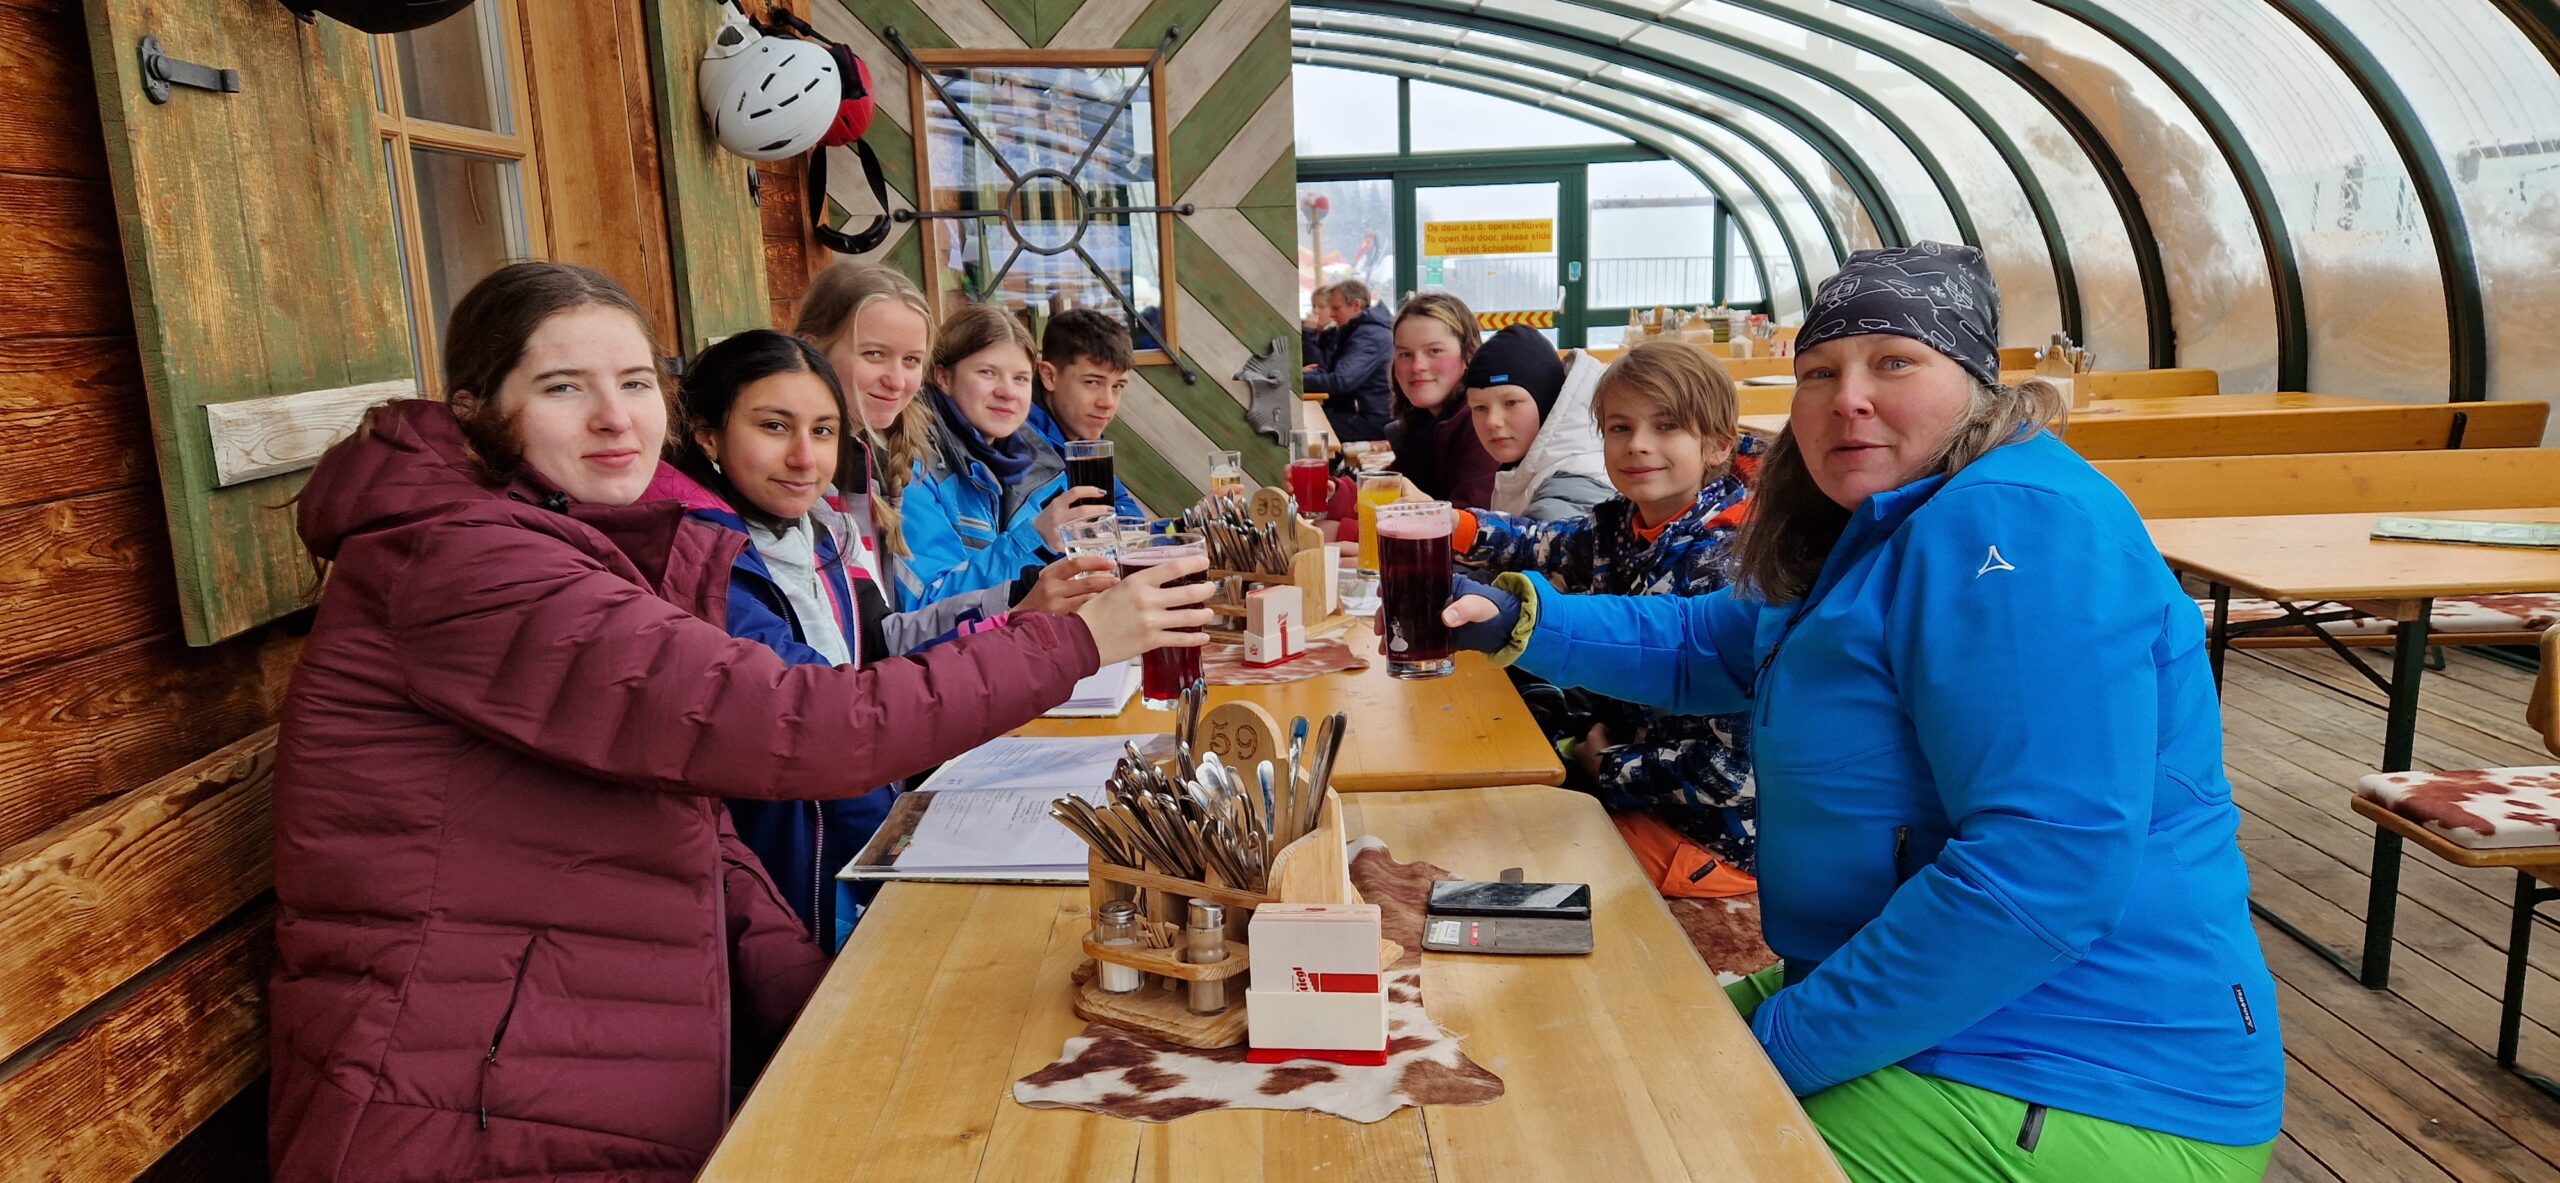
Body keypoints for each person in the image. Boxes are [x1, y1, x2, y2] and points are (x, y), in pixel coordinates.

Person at [268, 262, 1213, 1183]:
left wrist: (821, 997)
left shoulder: (559, 535)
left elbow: (690, 824)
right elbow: (802, 724)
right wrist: (1074, 641)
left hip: (561, 1044)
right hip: (467, 1100)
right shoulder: (468, 564)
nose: (613, 416)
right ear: (480, 407)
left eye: (634, 381)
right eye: (563, 386)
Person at [1440, 245, 2282, 1180]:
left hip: (2082, 1067)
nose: (1848, 398)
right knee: (1594, 1051)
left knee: (1611, 1143)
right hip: (1929, 1006)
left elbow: (2045, 868)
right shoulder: (1881, 519)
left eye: (1894, 362)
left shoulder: (2013, 528)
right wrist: (1517, 616)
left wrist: (1777, 1048)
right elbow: (1713, 644)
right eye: (1819, 372)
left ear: (1974, 381)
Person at [649, 330, 1113, 950]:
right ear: (707, 434)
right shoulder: (708, 569)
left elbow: (883, 642)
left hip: (866, 833)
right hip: (801, 883)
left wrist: (1016, 607)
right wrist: (1047, 636)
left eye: (822, 431)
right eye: (774, 427)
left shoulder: (819, 532)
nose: (804, 458)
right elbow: (829, 716)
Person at [1455, 339, 1758, 895]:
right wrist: (1456, 528)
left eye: (1667, 426)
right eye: (1620, 427)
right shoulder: (1621, 522)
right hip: (1626, 774)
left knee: (1502, 856)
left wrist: (1608, 766)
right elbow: (1546, 543)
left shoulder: (1729, 565)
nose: (1638, 444)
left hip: (1708, 838)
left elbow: (1736, 770)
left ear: (1718, 444)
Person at [898, 304, 1113, 608]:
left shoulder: (1039, 464)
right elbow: (925, 608)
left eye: (1021, 378)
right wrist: (1031, 538)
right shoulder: (915, 466)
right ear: (943, 377)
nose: (1008, 392)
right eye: (988, 373)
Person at [1465, 327, 1611, 521]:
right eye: (1480, 407)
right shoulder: (1532, 468)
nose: (1492, 421)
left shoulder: (1568, 491)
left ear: (1547, 402)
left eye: (1511, 403)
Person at [1029, 308, 1146, 520]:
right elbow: (1096, 527)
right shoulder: (1023, 443)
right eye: (1092, 382)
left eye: (1117, 386)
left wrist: (1186, 523)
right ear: (1049, 376)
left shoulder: (1083, 439)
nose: (1107, 402)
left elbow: (1127, 515)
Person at [1387, 291, 1499, 509]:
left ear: (1468, 355)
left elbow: (1469, 522)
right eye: (1405, 354)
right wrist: (1336, 491)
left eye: (1434, 351)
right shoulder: (1423, 423)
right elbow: (1391, 488)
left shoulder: (1484, 425)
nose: (1417, 366)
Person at [1305, 279, 1393, 442]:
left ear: (1356, 306)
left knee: (1306, 428)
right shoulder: (1360, 331)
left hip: (1373, 420)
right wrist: (1302, 376)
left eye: (1336, 308)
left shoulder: (1369, 336)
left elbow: (1341, 381)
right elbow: (1332, 371)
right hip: (1363, 414)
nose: (1331, 314)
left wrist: (1295, 381)